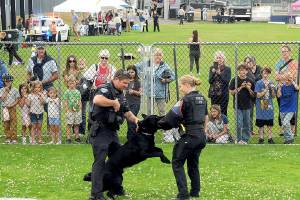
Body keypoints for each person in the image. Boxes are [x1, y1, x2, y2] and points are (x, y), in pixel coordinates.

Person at [89, 69, 139, 200]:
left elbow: (126, 112)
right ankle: (96, 194)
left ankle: (116, 189)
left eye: (127, 83)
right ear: (116, 79)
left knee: (118, 160)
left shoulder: (120, 93)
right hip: (100, 131)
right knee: (100, 162)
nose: (126, 85)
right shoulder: (105, 88)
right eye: (124, 83)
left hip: (112, 132)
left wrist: (136, 120)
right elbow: (97, 99)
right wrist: (112, 102)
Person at [159, 74, 207, 200]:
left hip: (190, 136)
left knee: (177, 162)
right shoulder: (202, 98)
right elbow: (205, 117)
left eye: (180, 86)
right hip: (201, 136)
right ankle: (195, 191)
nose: (180, 89)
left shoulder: (184, 100)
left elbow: (170, 118)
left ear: (186, 85)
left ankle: (183, 194)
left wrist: (158, 125)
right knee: (193, 164)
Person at [149, 48, 175, 143]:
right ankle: (150, 133)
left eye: (159, 55)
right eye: (156, 54)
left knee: (162, 113)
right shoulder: (149, 65)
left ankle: (166, 134)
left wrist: (166, 80)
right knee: (150, 113)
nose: (158, 57)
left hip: (161, 93)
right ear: (152, 56)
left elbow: (173, 76)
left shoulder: (165, 66)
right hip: (149, 93)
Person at [275, 44, 298, 135]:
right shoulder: (278, 63)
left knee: (291, 108)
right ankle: (283, 129)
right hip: (281, 88)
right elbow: (276, 77)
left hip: (291, 88)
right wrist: (286, 75)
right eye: (282, 51)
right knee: (282, 108)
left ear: (290, 52)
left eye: (285, 51)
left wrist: (282, 76)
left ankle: (292, 129)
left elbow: (293, 76)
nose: (284, 53)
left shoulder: (294, 62)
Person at [229, 64, 255, 144]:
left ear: (247, 71)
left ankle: (245, 139)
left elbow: (253, 94)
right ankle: (238, 138)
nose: (242, 72)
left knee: (246, 123)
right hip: (237, 105)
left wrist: (248, 88)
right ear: (238, 71)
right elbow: (232, 92)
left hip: (247, 105)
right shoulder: (234, 80)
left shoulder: (250, 80)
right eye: (240, 70)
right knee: (239, 123)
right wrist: (240, 87)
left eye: (244, 70)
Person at [255, 67, 276, 144]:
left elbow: (273, 96)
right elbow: (258, 95)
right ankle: (261, 138)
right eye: (264, 73)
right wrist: (266, 89)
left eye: (267, 73)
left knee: (269, 121)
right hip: (261, 103)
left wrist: (272, 89)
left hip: (269, 104)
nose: (265, 75)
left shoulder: (271, 83)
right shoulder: (259, 83)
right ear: (262, 74)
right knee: (261, 121)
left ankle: (270, 138)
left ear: (269, 74)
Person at [277, 72, 299, 144]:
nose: (286, 81)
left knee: (286, 123)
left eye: (288, 80)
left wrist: (292, 81)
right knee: (284, 123)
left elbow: (297, 88)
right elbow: (279, 95)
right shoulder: (282, 87)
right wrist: (279, 87)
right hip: (283, 108)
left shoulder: (293, 86)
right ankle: (287, 140)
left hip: (291, 108)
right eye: (285, 80)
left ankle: (290, 137)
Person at [208, 51, 231, 116]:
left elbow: (227, 81)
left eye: (220, 58)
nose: (219, 59)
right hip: (214, 94)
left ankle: (223, 125)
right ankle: (214, 125)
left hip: (223, 94)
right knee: (214, 112)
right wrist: (214, 73)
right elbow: (210, 81)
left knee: (223, 112)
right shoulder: (212, 68)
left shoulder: (227, 69)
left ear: (223, 59)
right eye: (217, 58)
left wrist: (220, 74)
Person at [0, 73, 20, 144]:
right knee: (6, 123)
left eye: (9, 81)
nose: (8, 83)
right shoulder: (2, 90)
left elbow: (17, 99)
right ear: (4, 82)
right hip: (5, 108)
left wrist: (12, 105)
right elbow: (2, 99)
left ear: (12, 81)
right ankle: (8, 137)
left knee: (13, 122)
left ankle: (14, 138)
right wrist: (6, 91)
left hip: (12, 108)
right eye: (6, 81)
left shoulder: (15, 90)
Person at [244, 55, 262, 135]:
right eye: (246, 62)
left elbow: (260, 79)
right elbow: (255, 80)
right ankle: (250, 130)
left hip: (261, 93)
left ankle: (261, 129)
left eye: (249, 61)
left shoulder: (259, 68)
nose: (248, 63)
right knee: (249, 113)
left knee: (263, 111)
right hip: (250, 95)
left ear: (254, 62)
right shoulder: (245, 71)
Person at [63, 75, 82, 144]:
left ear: (76, 83)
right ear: (67, 84)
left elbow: (79, 101)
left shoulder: (78, 92)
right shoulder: (67, 92)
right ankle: (68, 137)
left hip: (77, 111)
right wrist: (67, 110)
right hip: (70, 111)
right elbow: (65, 101)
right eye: (70, 83)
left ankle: (77, 137)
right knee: (69, 124)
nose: (72, 84)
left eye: (73, 82)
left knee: (77, 124)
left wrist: (80, 109)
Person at [125, 65, 142, 141]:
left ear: (135, 73)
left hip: (135, 103)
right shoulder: (125, 81)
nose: (131, 73)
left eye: (132, 72)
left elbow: (141, 93)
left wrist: (134, 91)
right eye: (129, 72)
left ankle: (131, 138)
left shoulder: (137, 82)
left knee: (131, 120)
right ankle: (133, 138)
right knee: (129, 121)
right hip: (127, 103)